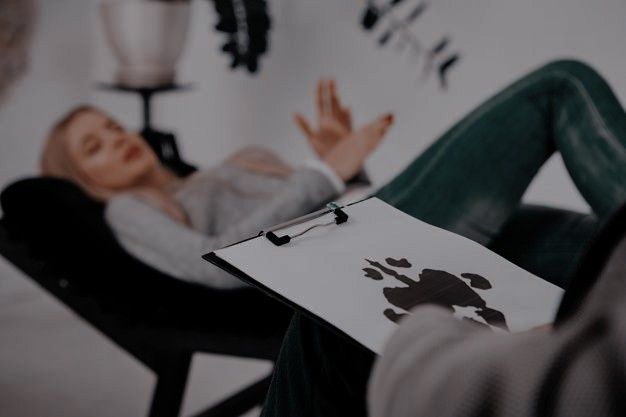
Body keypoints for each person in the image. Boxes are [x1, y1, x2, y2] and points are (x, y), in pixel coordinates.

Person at [260, 59, 626, 417]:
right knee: (560, 86)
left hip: (344, 220)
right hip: (312, 251)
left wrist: (346, 177)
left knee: (594, 246)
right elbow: (207, 262)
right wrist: (325, 173)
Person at [40, 80, 394, 289]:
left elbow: (344, 210)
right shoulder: (127, 209)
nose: (116, 139)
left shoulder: (230, 165)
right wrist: (326, 172)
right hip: (355, 261)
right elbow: (213, 263)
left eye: (115, 127)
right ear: (82, 178)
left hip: (381, 226)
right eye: (94, 147)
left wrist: (348, 169)